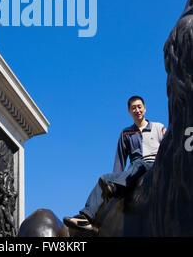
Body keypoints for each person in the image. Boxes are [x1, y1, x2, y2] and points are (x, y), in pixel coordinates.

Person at [63, 95, 166, 234]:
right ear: (129, 111)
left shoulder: (158, 127)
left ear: (145, 108)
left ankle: (115, 186)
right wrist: (115, 178)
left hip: (154, 165)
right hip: (133, 172)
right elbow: (120, 160)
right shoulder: (126, 133)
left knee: (138, 163)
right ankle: (86, 217)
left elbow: (168, 146)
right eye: (133, 108)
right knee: (105, 177)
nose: (137, 110)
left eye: (139, 107)